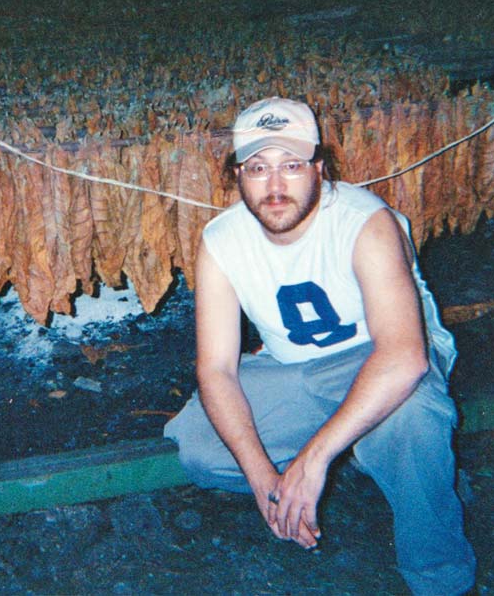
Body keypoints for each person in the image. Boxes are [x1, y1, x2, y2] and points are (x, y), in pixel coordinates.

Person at [164, 97, 476, 595]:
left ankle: (440, 574)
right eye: (258, 168)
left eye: (291, 166)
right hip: (297, 369)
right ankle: (366, 459)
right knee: (201, 448)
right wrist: (267, 482)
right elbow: (216, 370)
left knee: (411, 425)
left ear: (319, 168)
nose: (275, 186)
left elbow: (404, 356)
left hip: (380, 357)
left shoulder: (365, 222)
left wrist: (312, 459)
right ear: (237, 175)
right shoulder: (221, 240)